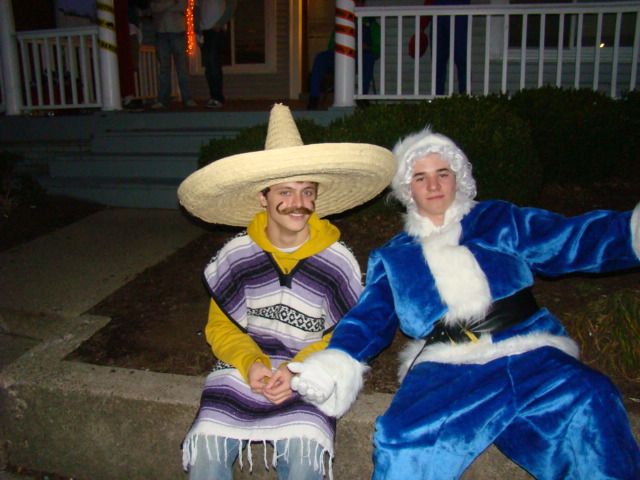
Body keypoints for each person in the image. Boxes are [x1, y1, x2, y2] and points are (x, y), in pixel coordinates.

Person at [289, 128, 640, 479]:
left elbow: (568, 239)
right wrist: (337, 360)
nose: (433, 185)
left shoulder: (497, 220)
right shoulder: (394, 256)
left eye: (442, 173)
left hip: (531, 350)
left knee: (592, 398)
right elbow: (370, 317)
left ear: (458, 177)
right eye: (420, 177)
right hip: (449, 368)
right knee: (402, 439)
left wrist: (630, 231)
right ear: (408, 189)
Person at [177, 103, 395, 479]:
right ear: (262, 198)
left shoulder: (337, 261)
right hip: (244, 368)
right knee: (207, 457)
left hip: (311, 371)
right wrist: (252, 363)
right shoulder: (237, 255)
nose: (299, 204)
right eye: (285, 192)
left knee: (303, 460)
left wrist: (298, 372)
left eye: (307, 191)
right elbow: (221, 327)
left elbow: (344, 336)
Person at [307, 0, 380, 110]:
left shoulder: (372, 24)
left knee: (369, 58)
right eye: (355, 2)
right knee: (320, 58)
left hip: (360, 58)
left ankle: (362, 97)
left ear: (363, 4)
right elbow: (331, 45)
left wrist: (366, 47)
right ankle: (314, 97)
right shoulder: (341, 21)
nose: (356, 5)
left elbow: (377, 50)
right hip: (340, 56)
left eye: (359, 2)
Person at [150, 0, 196, 108]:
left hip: (178, 32)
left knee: (182, 67)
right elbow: (154, 7)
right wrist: (172, 3)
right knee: (164, 68)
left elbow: (183, 6)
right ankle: (163, 99)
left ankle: (187, 98)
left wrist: (164, 6)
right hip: (161, 33)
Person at [194, 0, 237, 109]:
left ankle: (218, 97)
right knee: (208, 65)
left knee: (213, 62)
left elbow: (232, 5)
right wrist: (197, 30)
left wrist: (220, 23)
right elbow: (196, 9)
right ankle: (213, 97)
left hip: (216, 30)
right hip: (204, 30)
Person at [433, 0, 469, 95]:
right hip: (438, 15)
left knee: (462, 59)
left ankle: (465, 95)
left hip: (460, 14)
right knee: (438, 63)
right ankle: (437, 96)